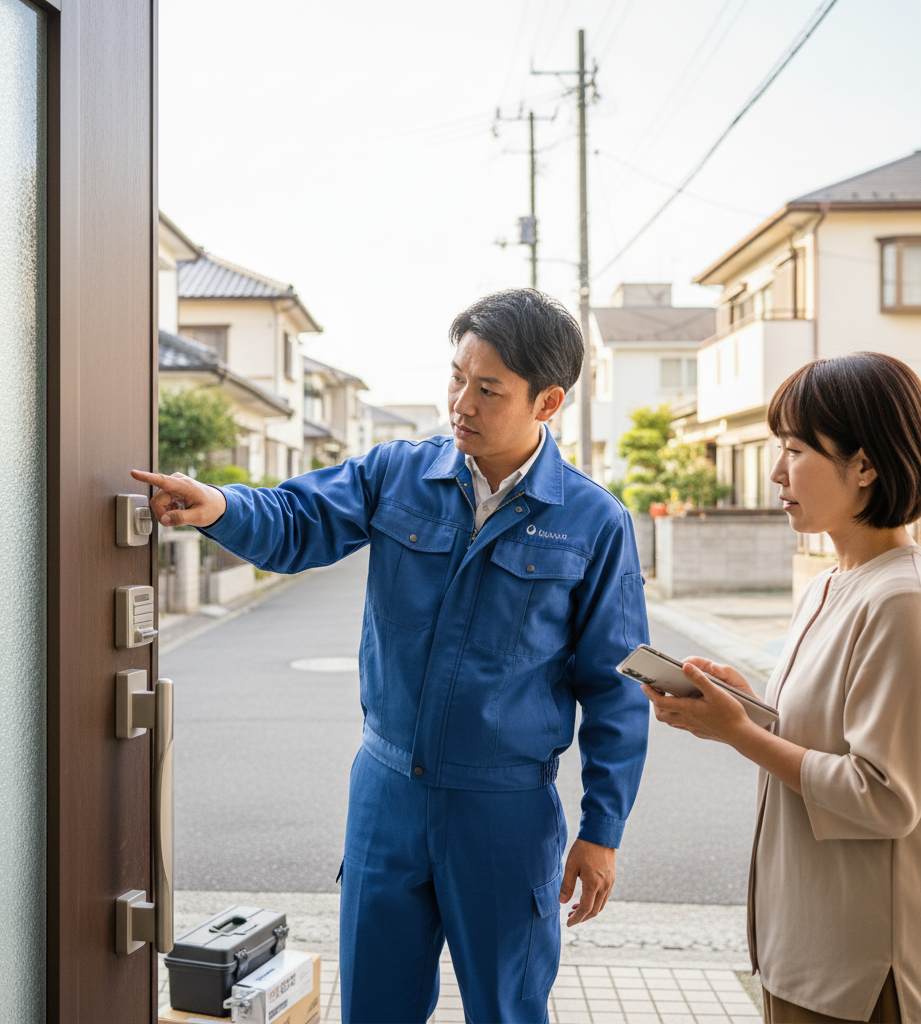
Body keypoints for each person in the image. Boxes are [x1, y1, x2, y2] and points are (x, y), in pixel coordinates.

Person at [133, 288, 650, 1024]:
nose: (461, 402)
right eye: (456, 377)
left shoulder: (593, 523)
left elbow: (616, 689)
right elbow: (300, 518)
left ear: (547, 402)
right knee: (375, 1005)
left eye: (488, 388)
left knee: (507, 1009)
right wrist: (221, 506)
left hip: (504, 810)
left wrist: (603, 831)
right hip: (386, 795)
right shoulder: (397, 474)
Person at [642, 352, 921, 1024]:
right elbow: (821, 734)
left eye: (796, 450)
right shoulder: (828, 583)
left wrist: (739, 734)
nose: (775, 471)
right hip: (803, 944)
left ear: (865, 465)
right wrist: (749, 710)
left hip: (859, 970)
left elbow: (886, 799)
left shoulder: (899, 601)